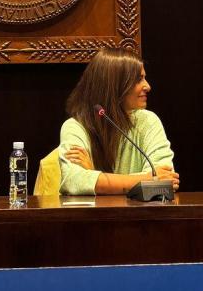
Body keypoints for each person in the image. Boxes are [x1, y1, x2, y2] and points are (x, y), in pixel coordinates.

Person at [59, 48, 180, 195]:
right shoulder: (75, 127)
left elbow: (165, 181)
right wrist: (147, 179)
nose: (148, 86)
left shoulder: (149, 121)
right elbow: (72, 181)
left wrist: (94, 175)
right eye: (138, 79)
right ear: (114, 84)